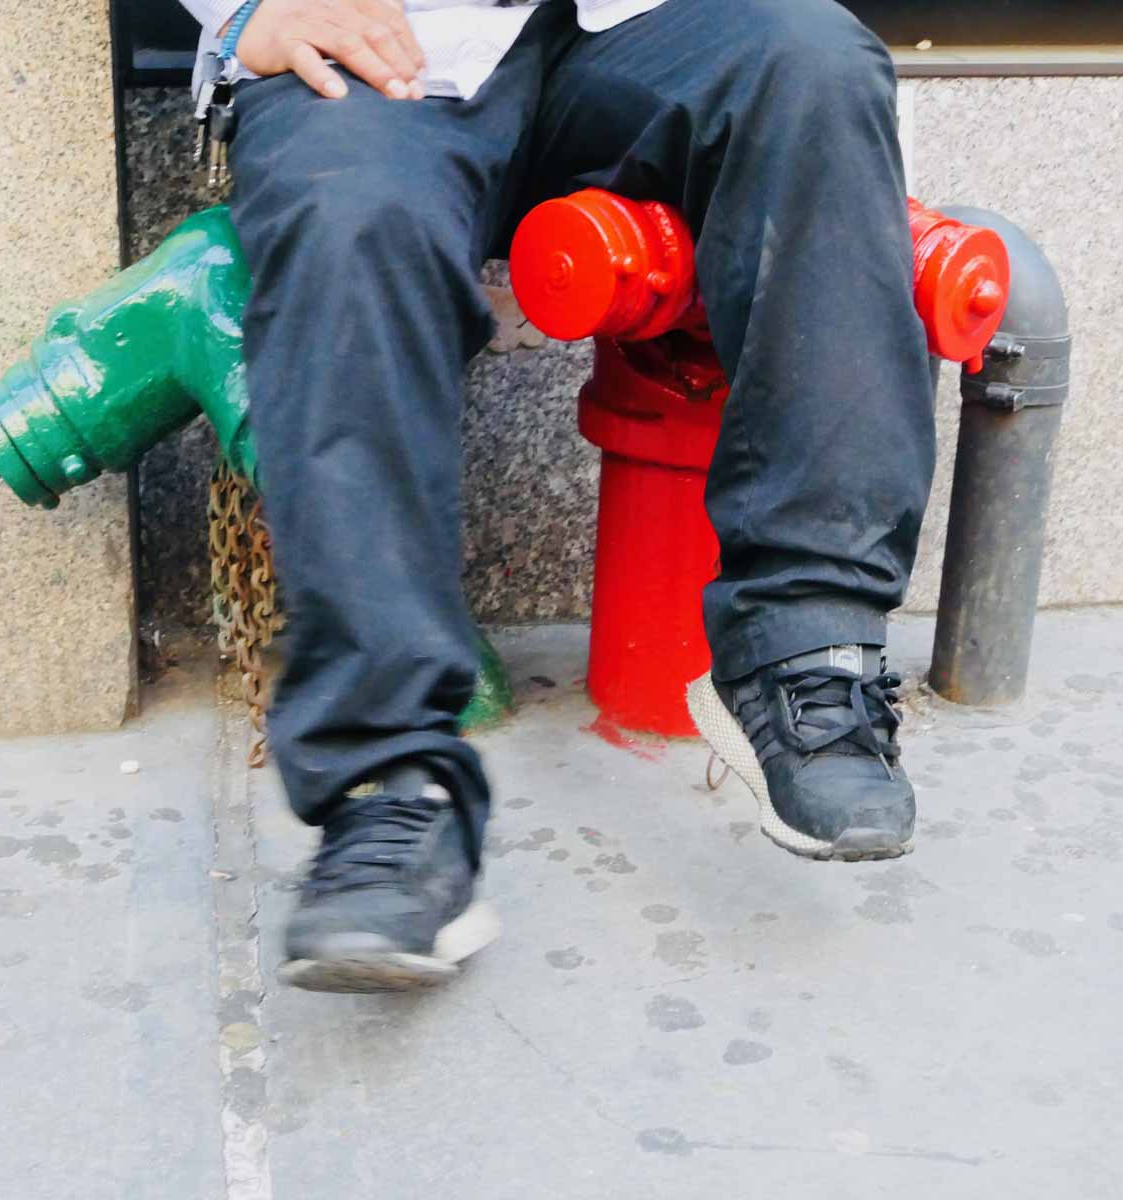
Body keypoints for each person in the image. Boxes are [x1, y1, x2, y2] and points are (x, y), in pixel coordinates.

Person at [176, 0, 934, 992]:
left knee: (815, 63)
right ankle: (389, 790)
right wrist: (246, 10)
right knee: (351, 215)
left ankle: (807, 658)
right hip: (370, 35)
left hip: (631, 25)